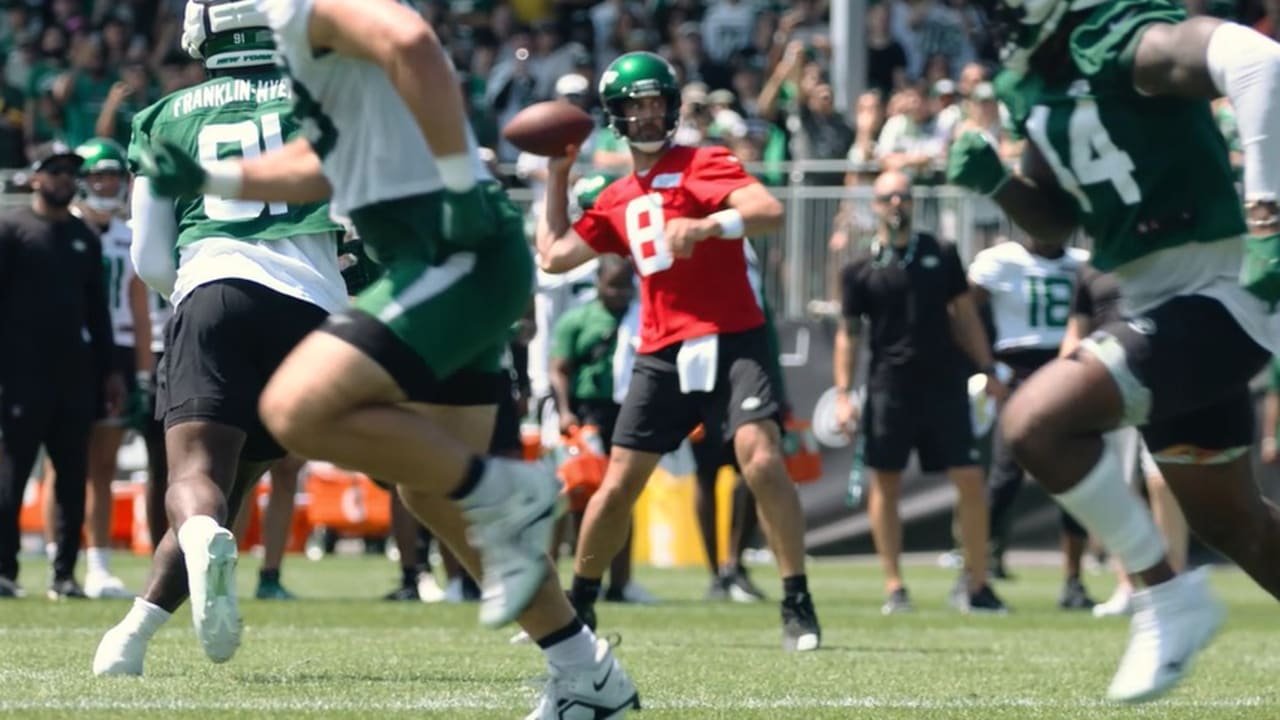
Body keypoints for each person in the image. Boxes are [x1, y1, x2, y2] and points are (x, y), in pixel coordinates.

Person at [131, 1, 639, 714]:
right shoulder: (300, 58)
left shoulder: (308, 10)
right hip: (445, 256)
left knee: (294, 410)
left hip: (447, 251)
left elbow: (411, 38)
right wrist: (222, 181)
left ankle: (509, 490)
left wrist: (459, 177)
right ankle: (588, 674)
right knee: (428, 494)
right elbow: (324, 161)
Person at [949, 0, 1280, 702]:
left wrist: (1267, 217)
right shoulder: (1033, 79)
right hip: (1158, 305)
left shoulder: (1118, 39)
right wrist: (1000, 183)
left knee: (1035, 423)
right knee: (1236, 525)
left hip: (1228, 291)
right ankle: (1171, 598)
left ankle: (1167, 600)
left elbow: (1258, 62)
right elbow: (1062, 219)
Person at [93, 1, 348, 675]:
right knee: (238, 482)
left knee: (196, 480)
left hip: (214, 287)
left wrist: (197, 299)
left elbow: (150, 257)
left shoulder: (167, 114)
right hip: (314, 312)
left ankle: (201, 541)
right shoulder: (327, 98)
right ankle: (132, 638)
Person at [537, 50, 822, 652]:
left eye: (654, 103)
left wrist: (708, 226)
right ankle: (580, 605)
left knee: (760, 456)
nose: (645, 115)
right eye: (633, 106)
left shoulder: (704, 162)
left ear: (670, 106)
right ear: (616, 116)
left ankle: (796, 598)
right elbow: (554, 255)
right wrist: (558, 174)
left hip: (733, 333)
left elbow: (766, 210)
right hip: (662, 346)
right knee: (618, 483)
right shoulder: (616, 195)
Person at [835, 168, 1009, 615]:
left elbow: (965, 314)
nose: (897, 204)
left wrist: (986, 366)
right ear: (874, 206)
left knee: (969, 479)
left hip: (945, 383)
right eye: (889, 197)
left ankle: (976, 583)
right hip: (888, 387)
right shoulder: (858, 267)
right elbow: (848, 334)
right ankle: (894, 585)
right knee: (886, 482)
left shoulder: (942, 252)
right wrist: (841, 393)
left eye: (904, 196)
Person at [0, 142, 124, 600]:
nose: (63, 179)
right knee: (12, 473)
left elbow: (98, 312)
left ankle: (64, 575)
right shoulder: (11, 229)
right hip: (19, 373)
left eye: (69, 172)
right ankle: (5, 569)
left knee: (73, 474)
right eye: (54, 171)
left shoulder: (83, 237)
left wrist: (110, 371)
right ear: (34, 177)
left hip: (74, 372)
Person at [967, 236, 1096, 609]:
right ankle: (976, 570)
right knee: (1005, 478)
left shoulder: (1082, 262)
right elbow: (962, 308)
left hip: (1068, 373)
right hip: (1017, 374)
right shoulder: (1000, 260)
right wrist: (986, 366)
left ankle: (1073, 580)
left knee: (1075, 481)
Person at [1057, 264, 1187, 618]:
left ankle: (1171, 585)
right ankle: (1127, 585)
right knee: (1118, 485)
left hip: (1163, 384)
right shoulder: (1088, 270)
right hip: (1110, 389)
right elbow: (1076, 332)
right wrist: (1064, 381)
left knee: (1163, 482)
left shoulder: (1159, 255)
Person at [68, 136, 147, 599]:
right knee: (64, 458)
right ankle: (62, 557)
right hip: (69, 350)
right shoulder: (66, 227)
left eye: (112, 175)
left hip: (115, 348)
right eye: (97, 175)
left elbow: (139, 311)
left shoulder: (128, 233)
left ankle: (97, 564)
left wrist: (140, 372)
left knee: (103, 462)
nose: (104, 182)